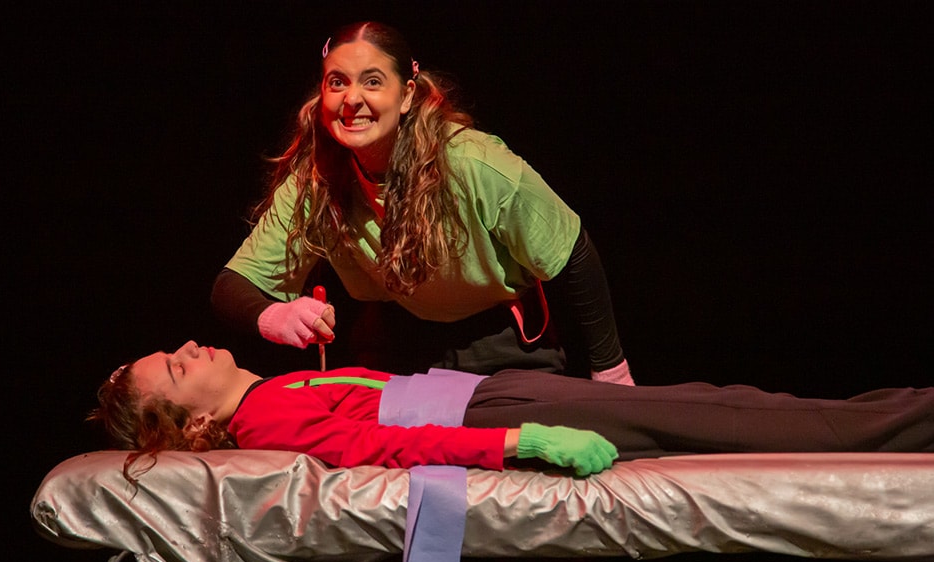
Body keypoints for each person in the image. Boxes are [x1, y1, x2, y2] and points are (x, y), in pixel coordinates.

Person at [211, 21, 633, 382]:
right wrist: (275, 317)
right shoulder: (318, 180)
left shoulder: (471, 161)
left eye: (372, 81)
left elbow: (573, 252)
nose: (352, 99)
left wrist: (612, 372)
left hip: (503, 349)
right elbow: (232, 286)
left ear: (407, 95)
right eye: (337, 82)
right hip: (402, 350)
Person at [91, 340, 933, 483]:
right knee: (731, 419)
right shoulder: (264, 421)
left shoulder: (271, 394)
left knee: (722, 410)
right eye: (177, 367)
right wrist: (521, 438)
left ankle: (907, 416)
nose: (191, 347)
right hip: (491, 409)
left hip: (490, 393)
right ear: (189, 426)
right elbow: (381, 449)